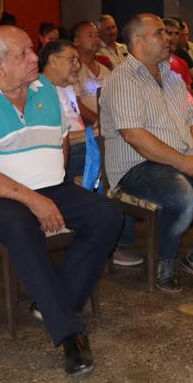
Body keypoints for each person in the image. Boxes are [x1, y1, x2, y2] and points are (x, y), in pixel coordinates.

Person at [0, 26, 122, 376]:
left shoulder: (46, 90)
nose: (35, 58)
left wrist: (50, 186)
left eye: (32, 50)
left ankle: (54, 301)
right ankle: (70, 335)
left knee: (108, 216)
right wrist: (32, 199)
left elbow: (60, 140)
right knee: (21, 224)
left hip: (50, 186)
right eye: (24, 54)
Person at [101, 13, 193, 293]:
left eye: (167, 33)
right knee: (182, 197)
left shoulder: (172, 77)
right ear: (137, 40)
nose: (168, 38)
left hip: (183, 159)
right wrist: (185, 163)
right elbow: (134, 136)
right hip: (139, 166)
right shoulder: (122, 79)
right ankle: (165, 260)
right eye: (159, 33)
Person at [40, 39, 143, 269]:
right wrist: (91, 134)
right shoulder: (41, 92)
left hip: (82, 144)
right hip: (67, 155)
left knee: (124, 156)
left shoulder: (66, 86)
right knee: (113, 162)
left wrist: (94, 132)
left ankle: (118, 239)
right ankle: (111, 243)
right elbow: (56, 143)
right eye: (72, 59)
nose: (78, 65)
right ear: (52, 61)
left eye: (78, 59)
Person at [71, 20, 111, 127]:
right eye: (90, 35)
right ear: (76, 41)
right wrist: (102, 124)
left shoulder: (105, 70)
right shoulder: (73, 70)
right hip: (87, 131)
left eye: (97, 35)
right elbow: (75, 105)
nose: (96, 39)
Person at [163, 17, 193, 89]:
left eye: (177, 33)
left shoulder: (182, 63)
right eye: (170, 33)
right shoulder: (152, 63)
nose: (174, 37)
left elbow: (189, 94)